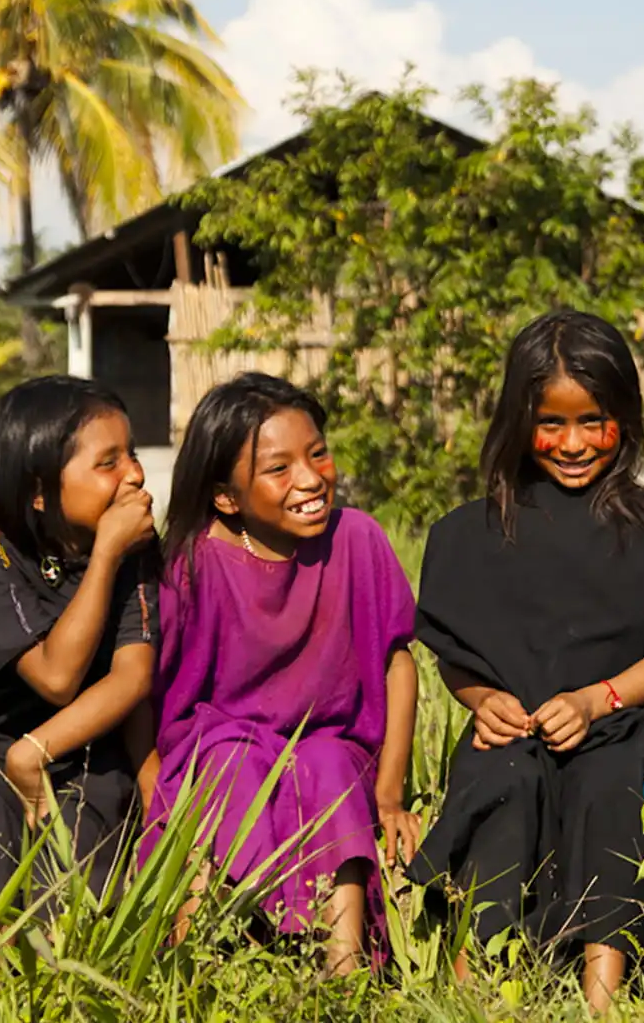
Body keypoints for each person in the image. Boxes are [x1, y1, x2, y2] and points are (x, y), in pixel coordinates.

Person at [406, 310, 644, 1015]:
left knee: (610, 795)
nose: (573, 444)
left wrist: (598, 699)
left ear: (624, 421)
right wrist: (482, 701)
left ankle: (603, 992)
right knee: (501, 784)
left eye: (592, 422)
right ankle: (476, 976)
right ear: (519, 419)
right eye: (552, 423)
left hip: (614, 729)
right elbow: (457, 656)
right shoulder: (468, 535)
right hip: (510, 732)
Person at [138, 373, 419, 976]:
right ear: (226, 497)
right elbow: (149, 694)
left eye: (317, 453)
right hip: (224, 747)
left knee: (329, 767)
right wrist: (152, 791)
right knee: (232, 766)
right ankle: (193, 961)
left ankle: (345, 966)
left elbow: (399, 659)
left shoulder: (357, 540)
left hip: (333, 744)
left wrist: (391, 794)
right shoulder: (193, 566)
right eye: (279, 468)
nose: (312, 478)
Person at [0, 376, 160, 934]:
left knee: (82, 848)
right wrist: (107, 553)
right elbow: (57, 675)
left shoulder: (133, 548)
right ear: (39, 491)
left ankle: (51, 950)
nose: (134, 474)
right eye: (108, 462)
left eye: (131, 454)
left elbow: (132, 678)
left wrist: (41, 753)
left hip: (87, 741)